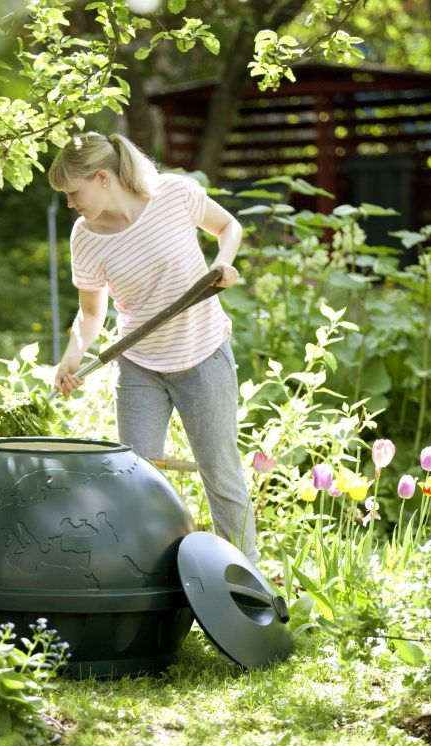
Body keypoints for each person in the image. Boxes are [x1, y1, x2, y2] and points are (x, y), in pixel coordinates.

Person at [48, 131, 259, 563]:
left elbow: (228, 227)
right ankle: (149, 578)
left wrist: (224, 261)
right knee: (137, 478)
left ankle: (246, 584)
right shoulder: (84, 237)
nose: (71, 203)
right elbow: (90, 314)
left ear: (103, 177)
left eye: (74, 192)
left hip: (203, 356)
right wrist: (73, 354)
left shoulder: (175, 195)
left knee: (221, 475)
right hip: (140, 366)